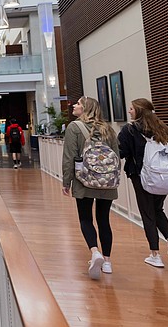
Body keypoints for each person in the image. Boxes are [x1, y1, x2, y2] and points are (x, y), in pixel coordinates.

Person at [118, 98, 168, 268]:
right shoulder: (163, 128)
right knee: (158, 210)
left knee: (147, 214)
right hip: (164, 177)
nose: (129, 111)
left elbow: (122, 152)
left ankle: (155, 254)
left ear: (139, 111)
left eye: (132, 108)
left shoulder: (129, 130)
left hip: (141, 177)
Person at [62, 96, 119, 279]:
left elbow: (69, 157)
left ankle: (95, 252)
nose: (74, 106)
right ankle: (108, 262)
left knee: (85, 218)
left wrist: (66, 182)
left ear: (85, 108)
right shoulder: (108, 129)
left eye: (78, 104)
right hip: (106, 182)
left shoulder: (74, 127)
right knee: (104, 220)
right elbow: (117, 156)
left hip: (83, 180)